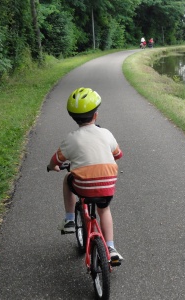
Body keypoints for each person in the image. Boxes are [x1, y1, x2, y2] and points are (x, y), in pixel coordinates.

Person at [47, 87, 123, 261]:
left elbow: (55, 161)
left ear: (73, 118)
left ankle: (70, 220)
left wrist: (52, 167)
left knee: (68, 179)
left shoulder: (71, 138)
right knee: (104, 210)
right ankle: (111, 248)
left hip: (83, 186)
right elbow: (118, 154)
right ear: (95, 115)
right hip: (107, 184)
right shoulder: (106, 133)